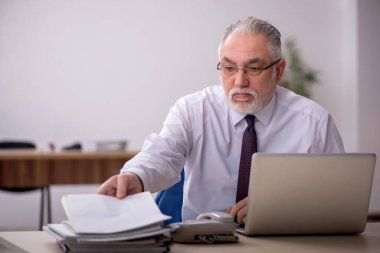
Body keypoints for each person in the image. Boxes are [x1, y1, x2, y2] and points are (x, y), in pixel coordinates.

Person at [97, 17, 345, 224]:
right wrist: (134, 177)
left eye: (253, 68)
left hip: (285, 241)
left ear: (278, 71)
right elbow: (161, 155)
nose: (239, 81)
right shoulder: (193, 110)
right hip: (203, 239)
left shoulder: (314, 123)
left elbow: (338, 198)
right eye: (229, 68)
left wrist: (283, 208)